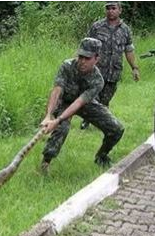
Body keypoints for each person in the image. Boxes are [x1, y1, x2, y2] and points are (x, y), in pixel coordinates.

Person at [40, 37, 124, 173]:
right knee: (62, 128)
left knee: (116, 128)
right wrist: (49, 116)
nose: (82, 61)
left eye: (87, 58)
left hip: (85, 104)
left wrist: (58, 119)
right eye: (81, 56)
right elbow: (57, 90)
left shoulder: (98, 80)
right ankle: (46, 162)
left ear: (97, 59)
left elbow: (80, 102)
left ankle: (101, 156)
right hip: (65, 102)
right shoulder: (67, 66)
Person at [80, 1, 139, 130]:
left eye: (113, 8)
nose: (110, 11)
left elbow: (128, 50)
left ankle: (102, 123)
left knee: (105, 100)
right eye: (108, 8)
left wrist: (134, 68)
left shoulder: (125, 30)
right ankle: (87, 121)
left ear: (120, 10)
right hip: (96, 70)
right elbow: (86, 47)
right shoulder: (97, 27)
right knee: (92, 96)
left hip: (114, 72)